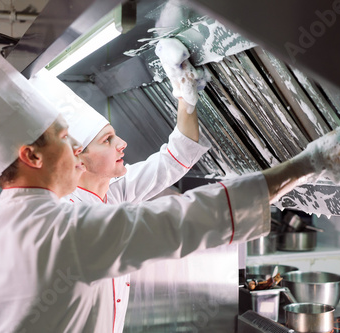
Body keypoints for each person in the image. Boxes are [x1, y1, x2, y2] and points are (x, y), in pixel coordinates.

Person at [0, 31, 340, 333]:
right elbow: (188, 220)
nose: (74, 153)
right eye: (65, 140)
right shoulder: (62, 233)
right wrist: (312, 161)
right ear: (32, 156)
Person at [28, 41, 211, 332]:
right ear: (80, 159)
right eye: (108, 140)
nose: (122, 144)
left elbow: (175, 159)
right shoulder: (65, 215)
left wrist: (184, 94)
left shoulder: (114, 190)